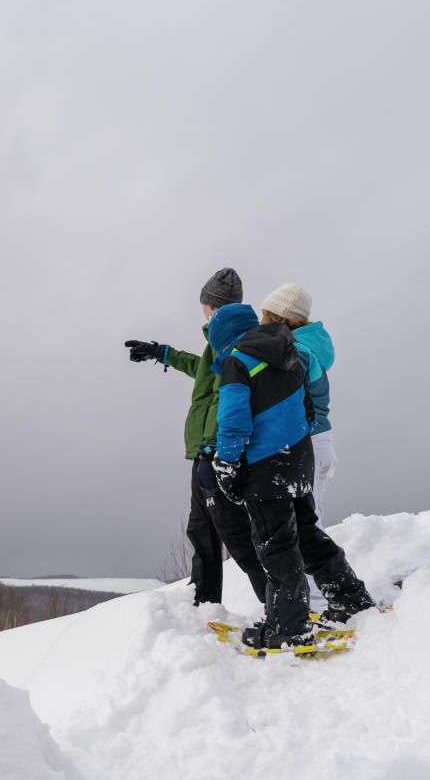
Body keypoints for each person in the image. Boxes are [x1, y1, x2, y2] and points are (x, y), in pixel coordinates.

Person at [207, 303, 374, 648]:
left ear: (223, 337)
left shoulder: (237, 361)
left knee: (277, 546)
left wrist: (227, 465)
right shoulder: (287, 351)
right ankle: (350, 600)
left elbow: (234, 422)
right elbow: (309, 408)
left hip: (265, 468)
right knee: (309, 536)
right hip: (298, 459)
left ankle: (289, 628)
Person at [124, 268, 267, 606]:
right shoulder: (218, 341)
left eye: (204, 303)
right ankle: (204, 603)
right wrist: (162, 353)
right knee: (201, 529)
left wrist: (214, 448)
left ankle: (279, 603)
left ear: (212, 305)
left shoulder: (236, 341)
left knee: (235, 533)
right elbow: (201, 370)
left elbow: (228, 398)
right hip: (205, 451)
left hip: (219, 452)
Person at [260, 283, 335, 523]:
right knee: (308, 518)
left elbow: (285, 398)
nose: (261, 321)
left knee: (307, 522)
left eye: (265, 314)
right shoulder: (304, 348)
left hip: (308, 441)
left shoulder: (298, 352)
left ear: (278, 318)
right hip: (316, 439)